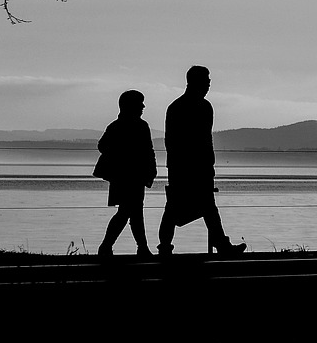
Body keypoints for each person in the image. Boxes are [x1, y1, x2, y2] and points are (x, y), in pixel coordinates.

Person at [156, 65, 246, 257]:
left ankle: (167, 246)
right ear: (197, 82)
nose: (209, 85)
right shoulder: (194, 107)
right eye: (206, 81)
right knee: (188, 206)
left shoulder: (181, 107)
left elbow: (197, 139)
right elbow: (191, 140)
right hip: (187, 166)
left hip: (188, 166)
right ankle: (219, 244)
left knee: (187, 206)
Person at [95, 90, 158, 259]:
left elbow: (148, 150)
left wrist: (151, 168)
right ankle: (116, 247)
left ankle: (134, 247)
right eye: (140, 103)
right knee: (129, 212)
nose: (143, 106)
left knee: (131, 212)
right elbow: (103, 146)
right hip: (127, 176)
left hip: (130, 176)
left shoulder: (124, 126)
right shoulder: (133, 126)